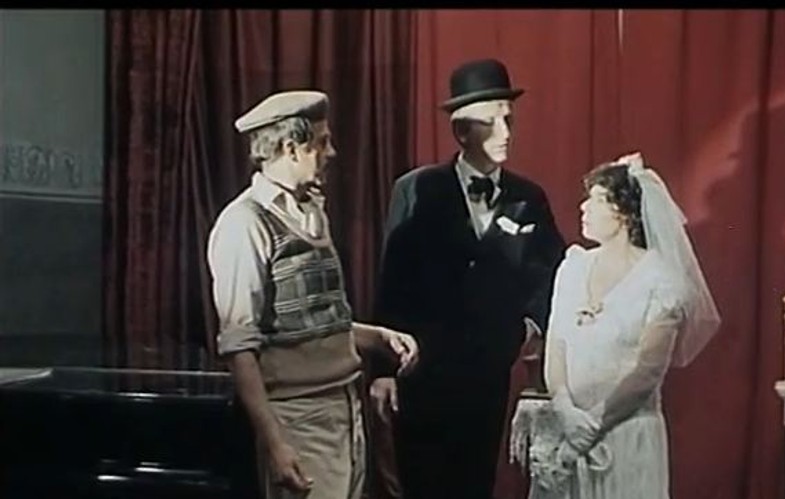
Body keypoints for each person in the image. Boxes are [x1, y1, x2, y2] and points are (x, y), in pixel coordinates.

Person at [206, 90, 419, 499]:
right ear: (291, 148)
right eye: (322, 142)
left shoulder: (312, 212)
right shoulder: (245, 224)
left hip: (345, 405)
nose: (331, 152)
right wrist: (275, 443)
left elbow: (308, 318)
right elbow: (240, 347)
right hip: (298, 416)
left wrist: (376, 337)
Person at [372, 58, 567, 499]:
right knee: (421, 485)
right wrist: (383, 371)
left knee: (475, 485)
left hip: (487, 377)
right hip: (422, 374)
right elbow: (393, 280)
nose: (506, 132)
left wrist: (528, 326)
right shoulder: (416, 189)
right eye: (491, 122)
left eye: (509, 120)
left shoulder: (528, 198)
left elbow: (552, 272)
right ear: (461, 132)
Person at [510, 152, 721, 499]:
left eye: (596, 200)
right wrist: (565, 410)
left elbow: (648, 370)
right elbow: (557, 344)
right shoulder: (574, 265)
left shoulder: (661, 279)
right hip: (570, 429)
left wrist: (592, 427)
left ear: (623, 212)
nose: (583, 208)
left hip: (626, 435)